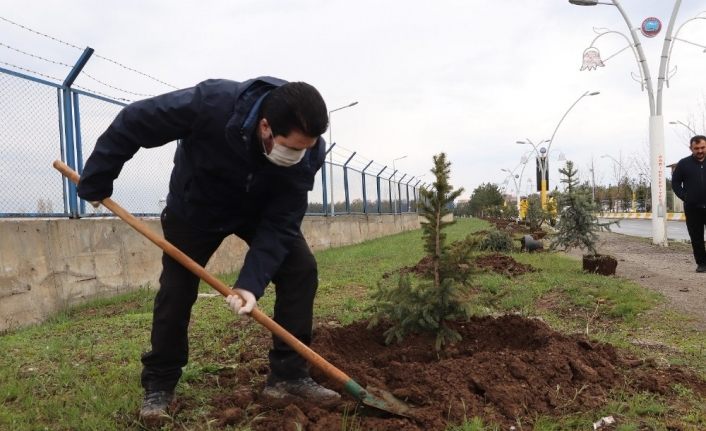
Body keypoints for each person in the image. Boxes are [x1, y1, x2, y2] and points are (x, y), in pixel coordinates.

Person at [76, 77, 341, 424]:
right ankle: (160, 383)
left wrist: (249, 284)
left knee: (300, 269)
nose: (298, 156)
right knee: (177, 287)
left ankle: (289, 377)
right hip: (197, 207)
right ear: (265, 126)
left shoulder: (307, 154)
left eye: (306, 148)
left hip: (259, 211)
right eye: (291, 148)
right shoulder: (211, 105)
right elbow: (135, 121)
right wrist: (97, 178)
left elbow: (281, 222)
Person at [672, 135, 706, 273]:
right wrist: (685, 197)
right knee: (696, 237)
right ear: (691, 148)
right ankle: (702, 264)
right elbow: (675, 183)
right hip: (692, 208)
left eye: (703, 147)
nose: (700, 150)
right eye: (696, 148)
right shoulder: (683, 164)